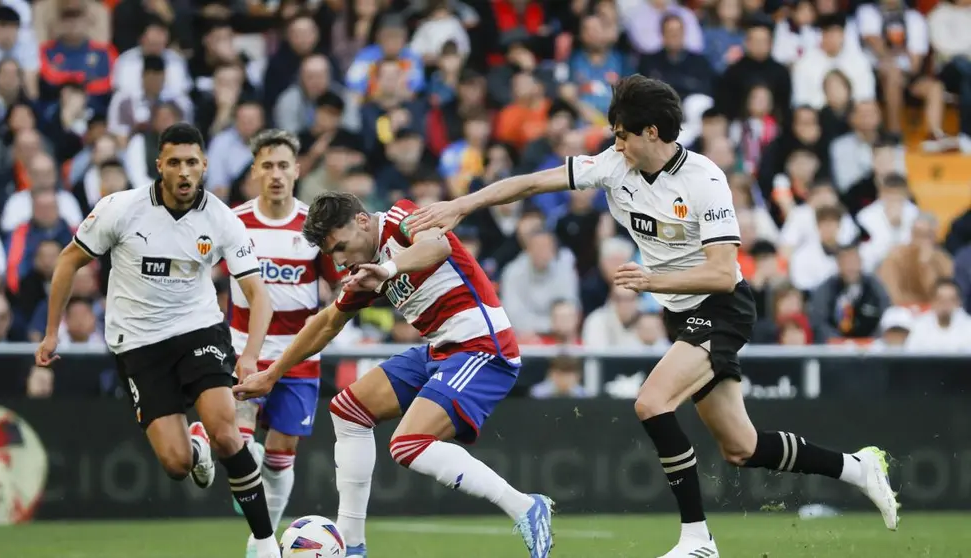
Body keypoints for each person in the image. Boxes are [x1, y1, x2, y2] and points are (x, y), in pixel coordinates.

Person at [408, 74, 899, 558]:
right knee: (741, 447)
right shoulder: (614, 166)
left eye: (621, 134)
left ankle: (697, 540)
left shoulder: (705, 181)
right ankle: (857, 468)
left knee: (651, 402)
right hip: (679, 313)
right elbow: (535, 182)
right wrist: (463, 204)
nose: (614, 145)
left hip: (722, 309)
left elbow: (724, 274)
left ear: (650, 133)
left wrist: (652, 280)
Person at [233, 192, 554, 558]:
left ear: (363, 221)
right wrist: (272, 374)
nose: (339, 263)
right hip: (442, 350)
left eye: (341, 247)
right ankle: (352, 545)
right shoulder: (363, 270)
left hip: (483, 346)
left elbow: (437, 246)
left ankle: (524, 506)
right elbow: (326, 324)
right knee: (348, 410)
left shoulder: (401, 218)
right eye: (331, 255)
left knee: (408, 444)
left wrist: (387, 270)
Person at [34, 123, 282, 558]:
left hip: (198, 330)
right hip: (138, 345)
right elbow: (68, 262)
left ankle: (265, 542)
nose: (184, 172)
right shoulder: (121, 209)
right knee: (176, 464)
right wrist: (53, 331)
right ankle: (195, 444)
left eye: (192, 162)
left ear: (204, 166)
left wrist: (250, 356)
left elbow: (260, 296)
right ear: (159, 167)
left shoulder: (221, 218)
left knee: (229, 433)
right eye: (174, 162)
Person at [227, 129, 342, 557]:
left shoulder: (313, 227)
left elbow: (338, 283)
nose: (275, 174)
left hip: (298, 357)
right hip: (243, 352)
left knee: (280, 456)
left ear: (297, 170)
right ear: (256, 170)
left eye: (283, 165)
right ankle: (261, 536)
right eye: (267, 165)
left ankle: (262, 541)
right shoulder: (233, 221)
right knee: (236, 446)